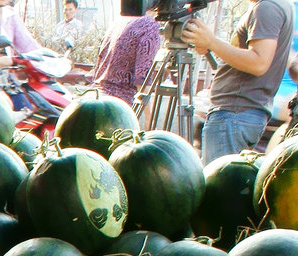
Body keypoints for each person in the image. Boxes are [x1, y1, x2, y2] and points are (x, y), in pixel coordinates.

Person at [182, 0, 295, 162]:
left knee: (218, 178)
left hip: (234, 114)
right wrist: (211, 45)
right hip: (240, 113)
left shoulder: (267, 7)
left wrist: (212, 42)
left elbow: (259, 63)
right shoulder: (277, 5)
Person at [93, 0, 162, 107]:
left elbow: (100, 62)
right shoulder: (151, 26)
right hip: (120, 107)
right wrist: (150, 117)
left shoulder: (120, 20)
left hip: (97, 98)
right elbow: (142, 78)